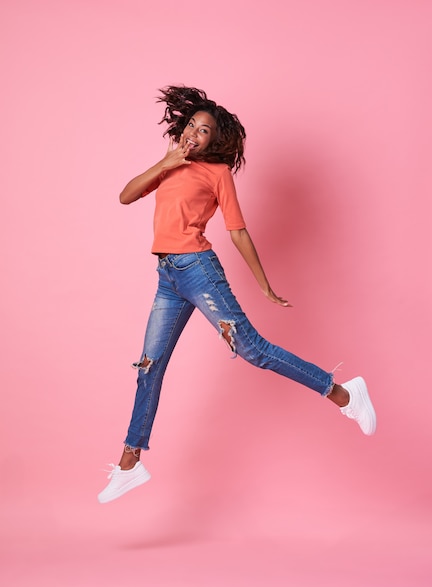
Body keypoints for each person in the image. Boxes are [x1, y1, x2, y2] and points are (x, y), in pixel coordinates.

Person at [98, 85, 376, 504]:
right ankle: (129, 462)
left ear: (217, 139)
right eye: (192, 124)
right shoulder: (171, 165)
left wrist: (263, 284)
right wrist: (167, 160)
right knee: (149, 367)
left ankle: (343, 393)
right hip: (167, 277)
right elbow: (125, 196)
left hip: (198, 271)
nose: (194, 133)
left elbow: (238, 230)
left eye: (204, 130)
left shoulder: (217, 174)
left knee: (253, 350)